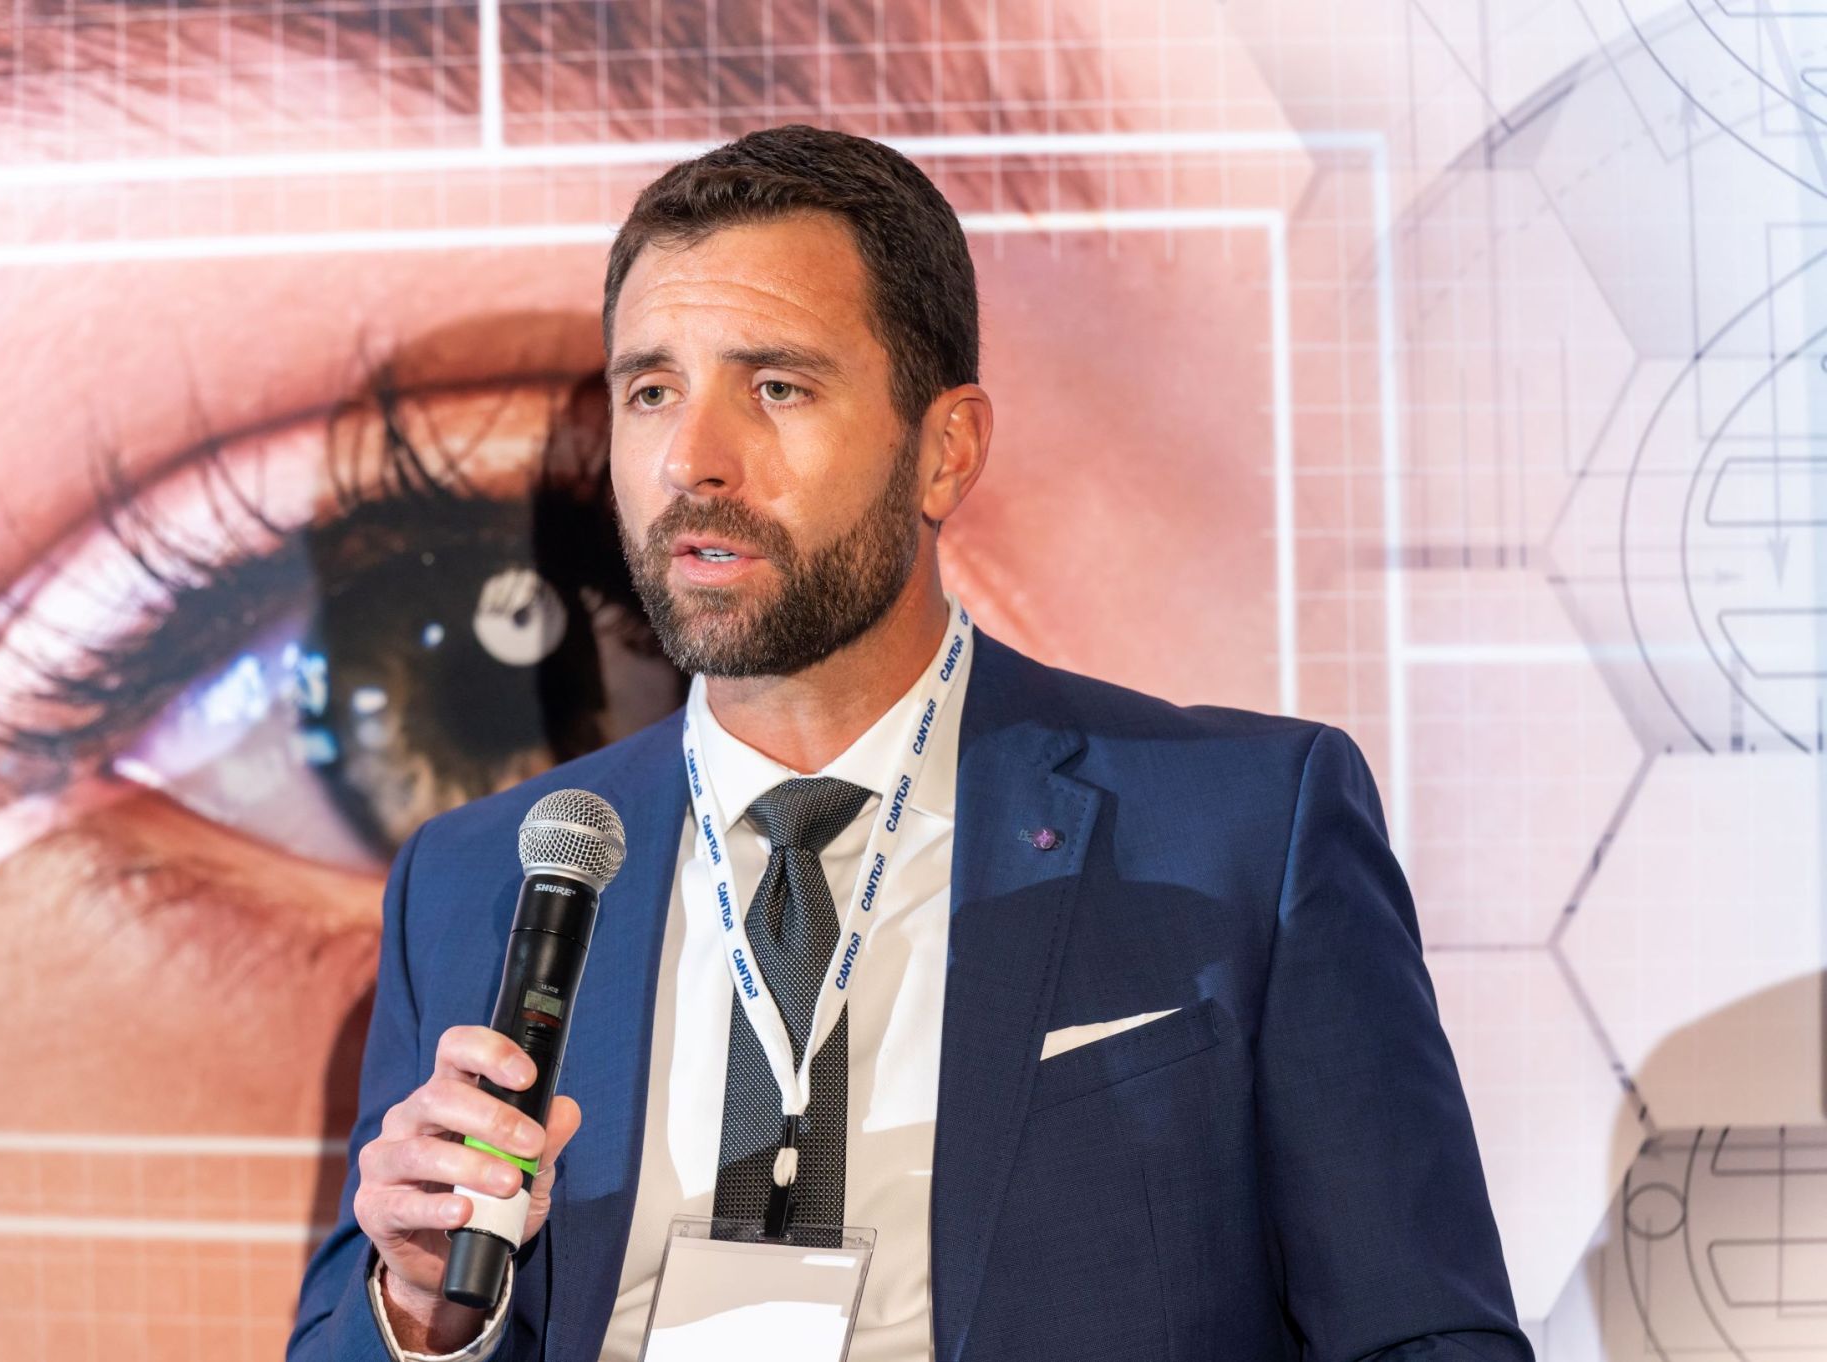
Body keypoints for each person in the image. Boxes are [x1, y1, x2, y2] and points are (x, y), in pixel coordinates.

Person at [288, 124, 1531, 1362]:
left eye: (775, 388)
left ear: (945, 452)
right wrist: (422, 1309)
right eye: (650, 391)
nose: (690, 461)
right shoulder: (478, 880)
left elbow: (1424, 1338)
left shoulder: (1248, 830)